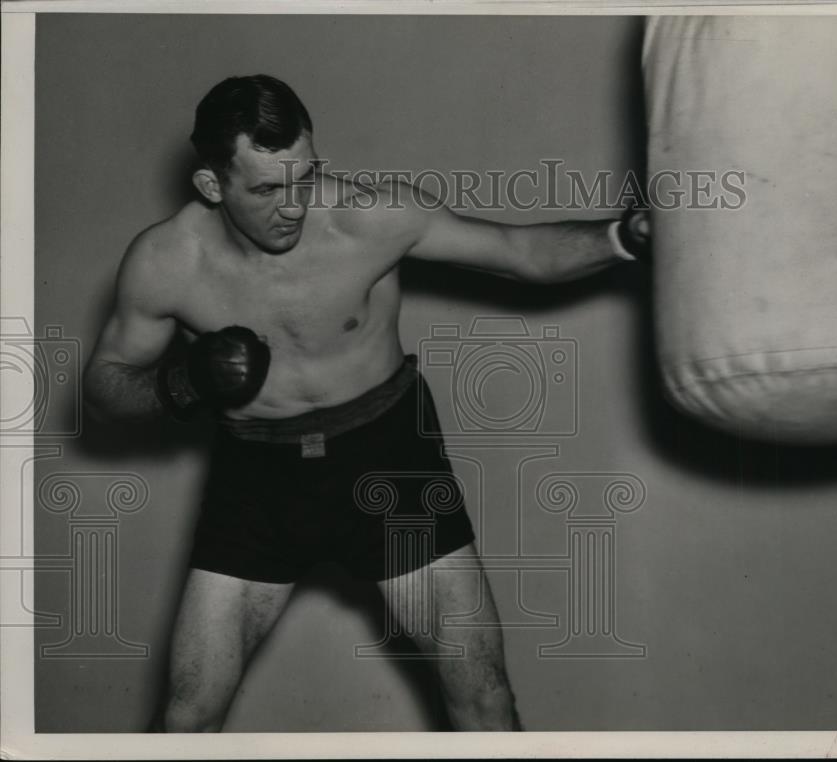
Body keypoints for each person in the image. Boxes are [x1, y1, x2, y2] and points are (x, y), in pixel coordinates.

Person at [83, 74, 649, 733]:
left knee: (483, 695)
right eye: (267, 189)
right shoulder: (166, 262)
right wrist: (181, 382)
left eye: (304, 177)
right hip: (257, 477)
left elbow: (520, 251)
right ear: (213, 186)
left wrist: (623, 237)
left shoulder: (367, 219)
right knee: (186, 718)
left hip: (386, 455)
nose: (293, 206)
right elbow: (103, 388)